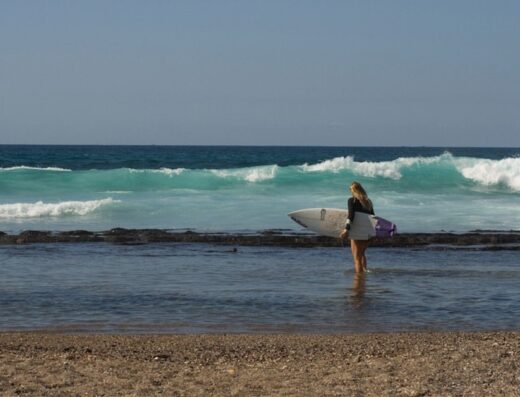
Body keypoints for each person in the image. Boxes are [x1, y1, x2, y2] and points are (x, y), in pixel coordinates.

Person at [339, 181, 374, 273]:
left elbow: (351, 215)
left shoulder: (352, 200)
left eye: (351, 190)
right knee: (361, 254)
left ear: (353, 191)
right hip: (367, 232)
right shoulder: (368, 202)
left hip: (357, 232)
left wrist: (347, 229)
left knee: (356, 257)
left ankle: (359, 280)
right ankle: (365, 273)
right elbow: (373, 217)